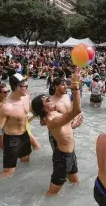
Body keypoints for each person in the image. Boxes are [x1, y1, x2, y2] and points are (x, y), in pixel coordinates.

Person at [31, 68, 82, 196]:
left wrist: (73, 124)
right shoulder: (51, 119)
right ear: (44, 108)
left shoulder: (55, 113)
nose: (50, 100)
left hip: (71, 154)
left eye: (48, 98)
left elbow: (67, 121)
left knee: (75, 184)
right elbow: (76, 110)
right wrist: (75, 86)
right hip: (63, 158)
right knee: (52, 193)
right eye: (47, 101)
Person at [0, 73, 32, 177]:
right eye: (25, 86)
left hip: (25, 135)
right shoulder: (7, 107)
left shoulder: (26, 97)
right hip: (12, 139)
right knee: (8, 172)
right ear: (18, 87)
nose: (27, 89)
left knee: (25, 161)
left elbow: (31, 111)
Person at [42, 77, 83, 151]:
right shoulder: (50, 102)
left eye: (66, 84)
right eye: (63, 85)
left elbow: (72, 110)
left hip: (69, 130)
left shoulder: (67, 96)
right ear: (56, 86)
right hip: (57, 134)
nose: (66, 86)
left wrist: (76, 119)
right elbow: (43, 122)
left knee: (69, 151)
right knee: (58, 153)